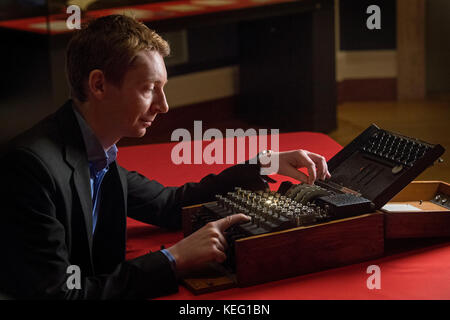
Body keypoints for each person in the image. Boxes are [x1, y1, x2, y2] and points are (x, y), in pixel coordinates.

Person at [0, 14, 330, 299]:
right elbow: (59, 297)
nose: (163, 105)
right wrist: (173, 260)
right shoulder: (31, 168)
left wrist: (265, 162)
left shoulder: (95, 151)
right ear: (98, 85)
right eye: (148, 88)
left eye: (163, 88)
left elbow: (171, 204)